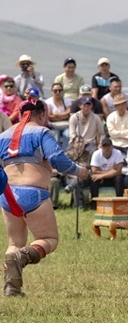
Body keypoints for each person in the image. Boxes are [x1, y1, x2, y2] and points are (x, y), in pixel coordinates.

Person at [1, 100, 88, 296]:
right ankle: (22, 257)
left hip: (7, 195)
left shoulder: (4, 135)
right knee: (48, 239)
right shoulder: (41, 132)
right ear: (41, 115)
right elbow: (58, 159)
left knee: (14, 242)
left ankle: (12, 288)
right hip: (33, 193)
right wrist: (79, 171)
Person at [45, 82, 71, 150]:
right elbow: (50, 117)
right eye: (55, 91)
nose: (57, 92)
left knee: (68, 135)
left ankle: (64, 152)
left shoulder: (67, 101)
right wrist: (64, 115)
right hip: (53, 126)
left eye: (60, 90)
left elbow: (69, 114)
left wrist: (56, 115)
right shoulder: (48, 102)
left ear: (62, 91)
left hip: (66, 126)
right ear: (52, 92)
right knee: (55, 137)